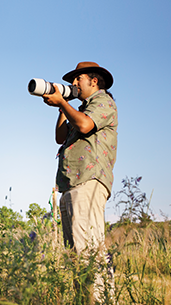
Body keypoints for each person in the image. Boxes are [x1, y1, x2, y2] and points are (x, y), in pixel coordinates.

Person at [42, 61, 118, 255]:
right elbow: (60, 138)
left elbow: (84, 126)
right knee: (75, 255)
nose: (74, 83)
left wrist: (63, 102)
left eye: (78, 78)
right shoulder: (81, 110)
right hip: (71, 183)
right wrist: (62, 108)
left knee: (89, 252)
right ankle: (86, 287)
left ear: (94, 81)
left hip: (88, 181)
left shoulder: (103, 102)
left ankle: (101, 287)